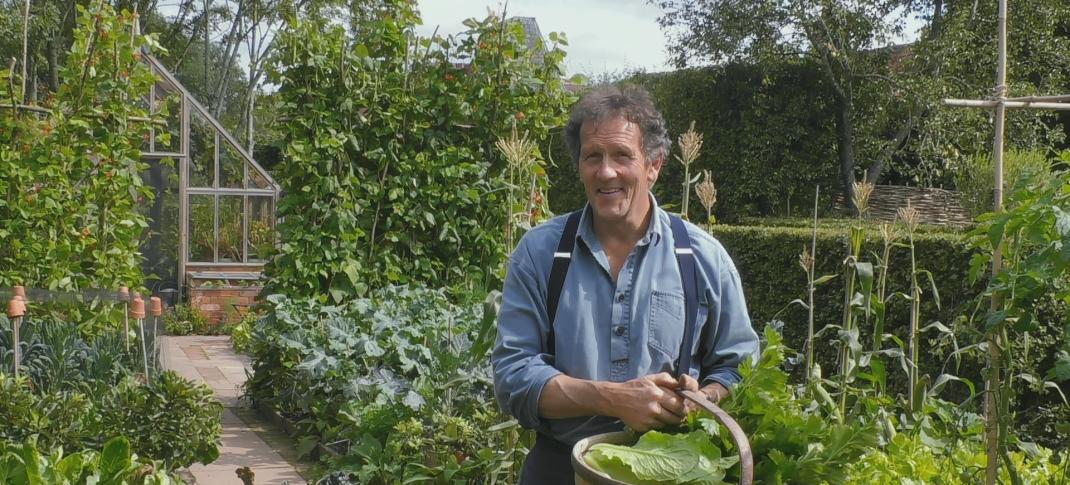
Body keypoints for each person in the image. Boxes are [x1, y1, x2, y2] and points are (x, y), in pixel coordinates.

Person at [491, 84, 759, 484]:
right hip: (559, 468)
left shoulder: (703, 258)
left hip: (668, 468)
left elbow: (738, 367)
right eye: (592, 156)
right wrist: (613, 397)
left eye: (622, 155)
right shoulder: (541, 253)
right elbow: (512, 376)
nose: (606, 172)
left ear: (654, 164)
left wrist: (703, 398)